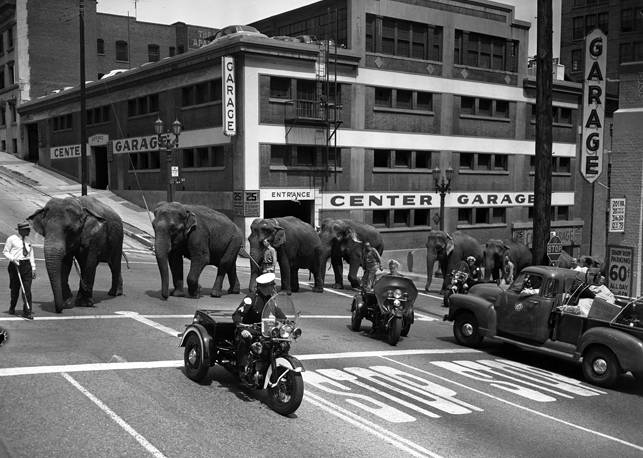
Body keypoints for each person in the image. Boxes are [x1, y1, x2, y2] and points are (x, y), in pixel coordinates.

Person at [232, 272, 277, 383]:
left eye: (273, 285)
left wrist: (287, 322)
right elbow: (237, 315)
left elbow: (277, 313)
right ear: (265, 287)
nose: (273, 287)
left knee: (279, 342)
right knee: (246, 340)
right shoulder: (251, 298)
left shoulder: (270, 299)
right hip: (249, 329)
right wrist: (242, 329)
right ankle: (242, 368)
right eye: (272, 285)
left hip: (264, 330)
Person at [3, 221, 36, 319]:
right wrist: (13, 259)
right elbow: (5, 252)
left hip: (26, 266)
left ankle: (27, 311)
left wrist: (33, 268)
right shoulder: (11, 239)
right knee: (15, 289)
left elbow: (31, 255)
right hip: (15, 266)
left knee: (27, 290)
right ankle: (12, 307)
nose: (29, 231)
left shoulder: (28, 241)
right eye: (27, 229)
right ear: (21, 230)